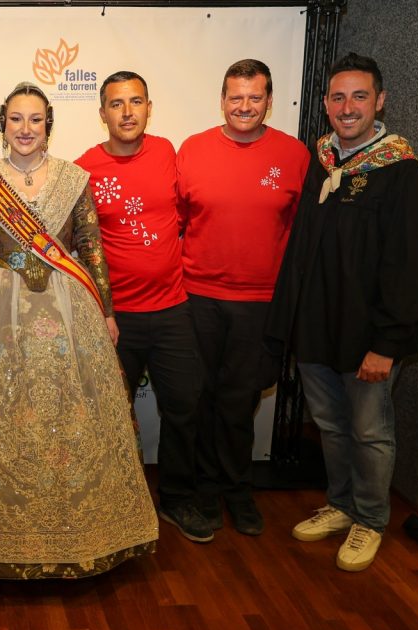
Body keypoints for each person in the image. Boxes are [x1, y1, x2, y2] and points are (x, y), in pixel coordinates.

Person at [0, 82, 158, 579]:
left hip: (68, 308)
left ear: (49, 126)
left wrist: (106, 311)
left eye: (35, 120)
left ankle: (79, 531)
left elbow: (91, 247)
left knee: (69, 416)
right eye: (16, 119)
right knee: (5, 417)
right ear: (3, 124)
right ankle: (1, 535)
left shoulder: (73, 178)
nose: (26, 129)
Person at [266, 53, 418, 571]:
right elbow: (301, 248)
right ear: (325, 104)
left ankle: (371, 520)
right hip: (317, 327)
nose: (348, 107)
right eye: (338, 97)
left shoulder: (400, 170)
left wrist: (387, 344)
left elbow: (407, 265)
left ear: (380, 101)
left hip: (368, 336)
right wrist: (291, 322)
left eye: (359, 96)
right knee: (331, 428)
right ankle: (341, 505)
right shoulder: (323, 161)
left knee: (370, 433)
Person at [74, 71, 209, 544]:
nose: (127, 112)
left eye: (136, 102)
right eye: (117, 104)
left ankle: (176, 499)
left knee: (184, 408)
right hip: (115, 318)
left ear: (149, 108)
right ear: (102, 113)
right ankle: (109, 502)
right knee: (109, 415)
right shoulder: (84, 168)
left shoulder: (169, 153)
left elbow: (190, 214)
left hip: (173, 310)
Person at [177, 59, 310, 536]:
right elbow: (177, 221)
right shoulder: (192, 150)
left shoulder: (294, 155)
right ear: (222, 100)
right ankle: (205, 489)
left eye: (255, 97)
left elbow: (301, 233)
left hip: (261, 303)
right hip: (198, 297)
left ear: (270, 101)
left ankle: (238, 488)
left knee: (241, 400)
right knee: (201, 397)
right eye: (236, 97)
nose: (245, 106)